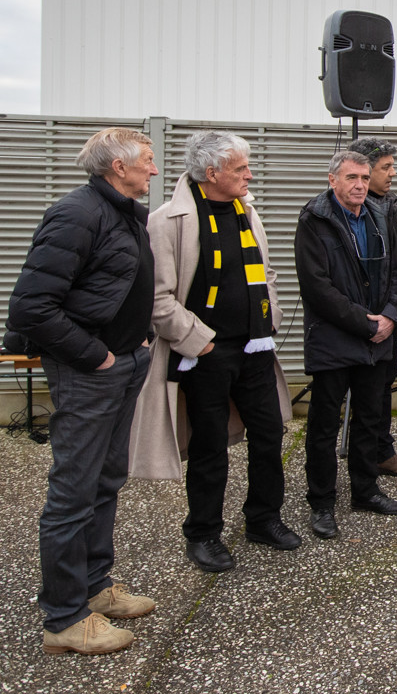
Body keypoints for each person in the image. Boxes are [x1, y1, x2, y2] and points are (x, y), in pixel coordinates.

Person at [8, 128, 158, 655]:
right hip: (91, 372)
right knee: (74, 491)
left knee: (106, 479)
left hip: (125, 364)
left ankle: (95, 587)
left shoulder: (123, 212)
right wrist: (97, 356)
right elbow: (31, 308)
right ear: (117, 167)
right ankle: (65, 617)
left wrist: (139, 344)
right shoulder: (77, 213)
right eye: (146, 160)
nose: (154, 170)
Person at [128, 131, 300, 574]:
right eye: (241, 168)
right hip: (205, 355)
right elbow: (158, 298)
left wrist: (271, 316)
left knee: (269, 436)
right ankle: (203, 533)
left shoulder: (247, 210)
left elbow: (265, 272)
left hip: (255, 349)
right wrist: (197, 340)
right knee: (210, 447)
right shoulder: (168, 221)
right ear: (212, 173)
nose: (249, 174)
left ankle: (263, 518)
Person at [295, 150, 397, 540]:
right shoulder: (314, 220)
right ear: (332, 180)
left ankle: (365, 491)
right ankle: (322, 502)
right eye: (351, 178)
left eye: (365, 177)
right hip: (335, 341)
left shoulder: (381, 215)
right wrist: (367, 324)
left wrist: (392, 316)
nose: (360, 185)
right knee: (324, 426)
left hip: (377, 339)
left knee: (370, 419)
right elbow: (317, 287)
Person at [348, 137, 397, 479]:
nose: (393, 173)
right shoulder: (343, 209)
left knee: (382, 386)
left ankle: (382, 452)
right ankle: (360, 456)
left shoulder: (396, 207)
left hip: (388, 320)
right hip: (352, 321)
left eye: (392, 166)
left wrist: (392, 314)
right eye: (386, 167)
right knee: (356, 392)